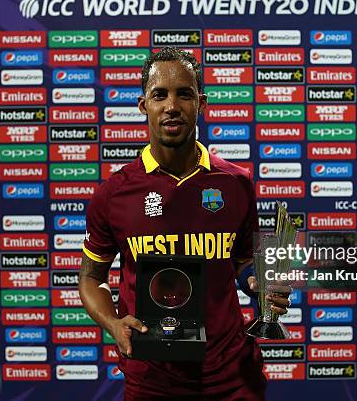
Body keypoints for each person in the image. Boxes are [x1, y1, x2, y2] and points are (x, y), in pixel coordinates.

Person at [79, 47, 291, 401]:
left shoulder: (236, 183)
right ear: (143, 105)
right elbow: (90, 277)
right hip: (151, 378)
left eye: (185, 94)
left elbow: (242, 262)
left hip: (231, 375)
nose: (172, 106)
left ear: (202, 103)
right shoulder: (113, 194)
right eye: (159, 95)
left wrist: (259, 284)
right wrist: (114, 324)